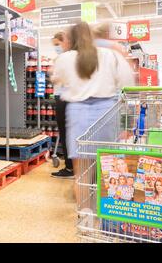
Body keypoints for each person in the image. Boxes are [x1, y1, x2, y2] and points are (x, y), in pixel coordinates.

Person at [52, 22, 135, 204]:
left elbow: (56, 79)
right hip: (107, 112)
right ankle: (109, 215)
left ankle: (85, 216)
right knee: (110, 168)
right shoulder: (109, 55)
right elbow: (128, 82)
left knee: (82, 174)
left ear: (70, 40)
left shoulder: (65, 59)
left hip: (77, 112)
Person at [49, 32, 74, 179]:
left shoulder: (65, 58)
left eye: (57, 44)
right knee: (68, 133)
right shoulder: (68, 57)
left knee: (65, 133)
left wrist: (53, 75)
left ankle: (70, 168)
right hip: (67, 97)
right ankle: (71, 166)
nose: (56, 48)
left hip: (64, 98)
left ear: (65, 41)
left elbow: (62, 78)